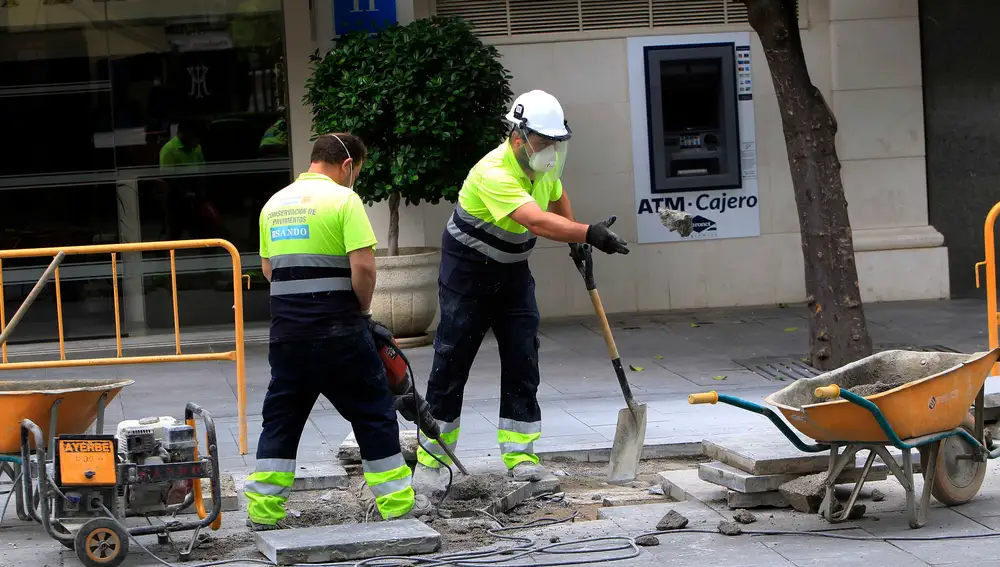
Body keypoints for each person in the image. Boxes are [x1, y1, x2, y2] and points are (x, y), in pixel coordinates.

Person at [411, 90, 630, 494]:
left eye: (556, 143)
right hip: (467, 275)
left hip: (512, 274)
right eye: (545, 142)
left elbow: (556, 194)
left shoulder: (541, 165)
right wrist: (589, 233)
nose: (551, 151)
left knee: (523, 359)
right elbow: (535, 221)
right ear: (518, 137)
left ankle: (522, 456)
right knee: (451, 364)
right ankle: (432, 461)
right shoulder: (493, 172)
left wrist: (575, 241)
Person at [244, 133, 431, 529]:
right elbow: (363, 266)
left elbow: (268, 269)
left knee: (281, 419)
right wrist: (362, 309)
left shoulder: (273, 204)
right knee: (372, 412)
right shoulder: (345, 200)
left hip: (287, 336)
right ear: (347, 165)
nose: (354, 180)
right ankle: (396, 504)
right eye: (356, 172)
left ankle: (263, 510)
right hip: (339, 332)